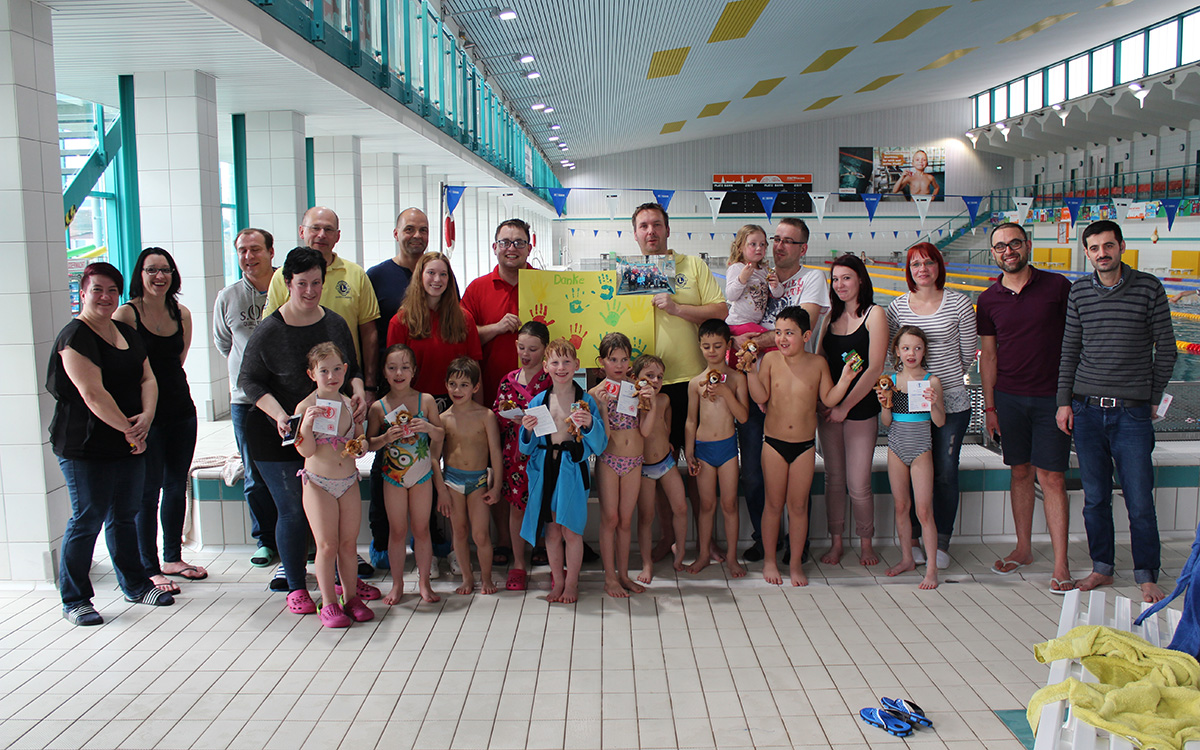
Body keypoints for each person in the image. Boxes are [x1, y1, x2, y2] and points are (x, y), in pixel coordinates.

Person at [239, 247, 368, 615]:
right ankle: (296, 585)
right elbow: (248, 380)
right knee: (294, 511)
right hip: (277, 429)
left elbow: (351, 367)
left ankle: (346, 588)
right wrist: (283, 416)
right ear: (287, 283)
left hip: (329, 434)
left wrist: (356, 391)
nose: (309, 291)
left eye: (316, 283)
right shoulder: (270, 329)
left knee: (337, 533)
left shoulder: (335, 324)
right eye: (301, 284)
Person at [1056, 219, 1176, 604]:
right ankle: (1102, 568)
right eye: (1094, 248)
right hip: (1087, 410)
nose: (1102, 253)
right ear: (1087, 252)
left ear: (1121, 246)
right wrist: (1064, 401)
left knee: (1140, 498)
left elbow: (1168, 348)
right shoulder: (1080, 292)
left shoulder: (1149, 288)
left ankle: (1146, 574)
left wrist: (1152, 395)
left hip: (1133, 413)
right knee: (1095, 498)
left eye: (1108, 246)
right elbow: (1069, 350)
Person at [49, 262, 175, 625]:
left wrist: (147, 417)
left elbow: (147, 377)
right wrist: (131, 431)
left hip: (128, 439)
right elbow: (92, 394)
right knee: (87, 518)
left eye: (111, 291)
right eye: (97, 290)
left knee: (126, 514)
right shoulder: (74, 337)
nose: (105, 297)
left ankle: (135, 584)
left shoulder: (124, 331)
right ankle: (75, 598)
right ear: (83, 293)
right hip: (85, 445)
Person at [977, 223, 1074, 593]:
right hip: (1010, 398)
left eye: (1014, 243)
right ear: (994, 253)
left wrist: (1069, 398)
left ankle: (1062, 563)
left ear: (1027, 245)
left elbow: (1074, 341)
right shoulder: (988, 299)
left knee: (1051, 478)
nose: (1008, 251)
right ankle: (1023, 547)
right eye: (1000, 246)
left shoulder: (1057, 287)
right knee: (1020, 472)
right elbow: (988, 356)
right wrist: (989, 407)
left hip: (1052, 398)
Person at [632, 202, 728, 561]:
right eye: (643, 226)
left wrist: (677, 308)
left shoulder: (692, 266)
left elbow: (720, 311)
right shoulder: (628, 274)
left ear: (668, 230)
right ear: (636, 233)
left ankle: (707, 540)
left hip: (693, 382)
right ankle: (667, 538)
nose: (650, 231)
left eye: (656, 224)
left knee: (698, 464)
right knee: (657, 462)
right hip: (649, 387)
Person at [732, 218, 830, 564]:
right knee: (754, 472)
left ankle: (797, 544)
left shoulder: (812, 279)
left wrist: (753, 341)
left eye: (788, 241)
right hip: (759, 381)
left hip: (793, 389)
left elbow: (800, 326)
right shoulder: (757, 276)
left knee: (798, 477)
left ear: (803, 248)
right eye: (775, 239)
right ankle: (765, 538)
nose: (778, 246)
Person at [112, 247, 204, 595]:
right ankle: (148, 566)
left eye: (164, 270)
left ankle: (172, 557)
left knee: (176, 484)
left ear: (173, 274)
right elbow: (124, 367)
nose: (159, 276)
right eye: (151, 270)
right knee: (147, 491)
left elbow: (176, 361)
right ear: (140, 274)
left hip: (181, 409)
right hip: (145, 415)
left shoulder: (181, 313)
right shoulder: (126, 315)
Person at [744, 307, 854, 587]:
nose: (781, 338)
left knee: (798, 506)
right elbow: (761, 396)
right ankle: (770, 560)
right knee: (772, 504)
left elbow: (828, 399)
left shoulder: (817, 364)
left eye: (789, 333)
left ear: (805, 335)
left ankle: (794, 564)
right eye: (778, 332)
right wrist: (749, 372)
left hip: (804, 447)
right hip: (774, 444)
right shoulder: (769, 360)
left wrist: (846, 380)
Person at [887, 242, 975, 569]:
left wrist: (941, 381)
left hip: (949, 398)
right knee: (912, 469)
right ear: (908, 271)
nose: (922, 270)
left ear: (938, 266)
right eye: (915, 265)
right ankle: (912, 541)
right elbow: (893, 352)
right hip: (909, 404)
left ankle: (942, 541)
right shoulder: (898, 307)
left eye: (928, 263)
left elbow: (968, 354)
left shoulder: (960, 304)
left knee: (945, 472)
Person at [463, 218, 535, 572]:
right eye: (505, 242)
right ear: (495, 247)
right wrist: (495, 328)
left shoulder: (544, 285)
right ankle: (504, 542)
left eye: (519, 242)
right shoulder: (477, 289)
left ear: (529, 248)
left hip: (539, 396)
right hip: (493, 395)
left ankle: (534, 538)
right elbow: (461, 335)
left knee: (537, 468)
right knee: (500, 469)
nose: (512, 248)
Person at [365, 208, 429, 571]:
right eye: (409, 229)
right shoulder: (377, 277)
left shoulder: (433, 273)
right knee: (384, 465)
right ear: (396, 233)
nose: (416, 235)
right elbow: (370, 335)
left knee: (426, 463)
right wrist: (374, 385)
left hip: (427, 388)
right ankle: (381, 537)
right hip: (390, 387)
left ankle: (430, 535)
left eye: (423, 230)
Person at [519, 338, 606, 604]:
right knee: (553, 531)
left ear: (577, 365)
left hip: (571, 470)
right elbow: (526, 448)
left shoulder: (586, 401)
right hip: (545, 470)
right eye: (555, 362)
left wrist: (591, 423)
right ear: (545, 366)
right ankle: (557, 581)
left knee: (572, 531)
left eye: (567, 361)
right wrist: (528, 430)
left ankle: (572, 583)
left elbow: (600, 446)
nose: (561, 367)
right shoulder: (539, 399)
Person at [294, 343, 372, 628]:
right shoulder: (306, 407)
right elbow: (306, 451)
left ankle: (350, 597)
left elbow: (361, 436)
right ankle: (328, 602)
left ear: (346, 370)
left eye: (337, 369)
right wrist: (305, 426)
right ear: (311, 374)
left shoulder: (350, 402)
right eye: (324, 371)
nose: (331, 375)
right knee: (327, 546)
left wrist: (360, 446)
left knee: (349, 546)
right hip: (318, 483)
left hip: (349, 481)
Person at [816, 254, 887, 567]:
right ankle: (836, 543)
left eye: (846, 277)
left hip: (860, 411)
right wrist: (825, 404)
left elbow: (874, 369)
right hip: (829, 411)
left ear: (860, 280)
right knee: (833, 480)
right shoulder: (829, 318)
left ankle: (866, 542)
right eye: (835, 279)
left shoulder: (874, 315)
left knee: (858, 483)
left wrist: (844, 406)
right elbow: (819, 363)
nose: (840, 284)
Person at [264, 207, 381, 395]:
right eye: (315, 228)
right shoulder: (282, 276)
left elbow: (369, 333)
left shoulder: (355, 274)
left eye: (328, 230)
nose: (321, 235)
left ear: (338, 236)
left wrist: (368, 385)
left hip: (344, 383)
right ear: (302, 231)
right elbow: (270, 332)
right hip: (295, 386)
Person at [214, 228, 278, 569]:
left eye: (255, 249)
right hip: (245, 400)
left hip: (286, 399)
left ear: (271, 252)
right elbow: (225, 344)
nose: (249, 257)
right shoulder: (228, 297)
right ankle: (265, 539)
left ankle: (300, 534)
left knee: (295, 470)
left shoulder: (288, 288)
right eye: (242, 251)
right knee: (254, 472)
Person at [366, 344, 443, 605]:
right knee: (397, 532)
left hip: (421, 475)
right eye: (392, 367)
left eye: (405, 367)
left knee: (421, 530)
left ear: (414, 371)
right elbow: (370, 444)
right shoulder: (378, 407)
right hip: (393, 477)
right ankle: (397, 584)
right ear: (385, 373)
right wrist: (385, 437)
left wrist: (429, 427)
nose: (399, 372)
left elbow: (442, 434)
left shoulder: (427, 400)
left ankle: (424, 582)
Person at [878, 326, 945, 590]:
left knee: (924, 510)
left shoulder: (931, 381)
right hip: (896, 446)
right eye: (906, 348)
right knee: (901, 507)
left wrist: (935, 403)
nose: (911, 353)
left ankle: (931, 569)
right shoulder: (891, 381)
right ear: (897, 351)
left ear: (924, 351)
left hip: (921, 449)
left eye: (917, 348)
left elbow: (939, 423)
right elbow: (886, 422)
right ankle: (907, 558)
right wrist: (886, 404)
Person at [685, 320, 749, 578]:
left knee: (730, 504)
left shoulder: (736, 379)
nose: (712, 351)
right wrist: (689, 453)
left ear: (728, 346)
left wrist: (725, 392)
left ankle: (732, 558)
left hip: (727, 449)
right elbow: (691, 421)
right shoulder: (695, 383)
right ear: (699, 347)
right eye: (706, 346)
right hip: (703, 449)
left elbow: (743, 417)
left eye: (717, 346)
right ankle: (703, 555)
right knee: (707, 505)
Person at [589, 332, 651, 598]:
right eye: (612, 359)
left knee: (626, 520)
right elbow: (602, 439)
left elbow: (646, 430)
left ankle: (624, 574)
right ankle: (609, 577)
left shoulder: (637, 390)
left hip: (634, 461)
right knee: (610, 518)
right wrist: (603, 407)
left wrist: (652, 401)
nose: (618, 365)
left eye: (624, 359)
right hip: (609, 460)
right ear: (601, 361)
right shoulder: (594, 393)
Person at [495, 321, 552, 591]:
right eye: (521, 347)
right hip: (515, 454)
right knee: (517, 508)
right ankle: (518, 564)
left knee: (550, 509)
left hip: (546, 453)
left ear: (544, 350)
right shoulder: (507, 380)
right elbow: (497, 415)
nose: (525, 353)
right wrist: (513, 420)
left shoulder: (553, 379)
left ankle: (554, 560)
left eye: (532, 348)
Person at [439, 357, 503, 595]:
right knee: (460, 532)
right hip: (452, 481)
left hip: (478, 481)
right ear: (446, 384)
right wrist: (441, 490)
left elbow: (496, 453)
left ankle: (486, 579)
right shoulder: (443, 418)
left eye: (464, 385)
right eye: (453, 384)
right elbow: (436, 458)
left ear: (475, 387)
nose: (458, 390)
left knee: (480, 533)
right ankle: (467, 579)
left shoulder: (486, 416)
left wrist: (496, 486)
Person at [387, 252, 483, 409]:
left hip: (458, 403)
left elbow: (474, 369)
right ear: (420, 276)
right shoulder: (401, 321)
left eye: (443, 274)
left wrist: (478, 409)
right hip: (415, 404)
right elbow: (393, 373)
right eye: (431, 273)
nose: (437, 279)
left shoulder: (464, 319)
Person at [633, 354, 688, 573]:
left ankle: (680, 553)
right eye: (649, 376)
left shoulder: (664, 400)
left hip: (666, 463)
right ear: (636, 378)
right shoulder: (633, 403)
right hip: (644, 468)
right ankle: (646, 563)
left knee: (681, 508)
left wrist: (667, 444)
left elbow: (666, 428)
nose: (655, 381)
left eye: (659, 377)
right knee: (646, 516)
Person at [724, 224, 782, 352]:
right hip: (738, 323)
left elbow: (778, 294)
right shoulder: (737, 268)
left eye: (762, 244)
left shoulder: (765, 270)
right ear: (740, 248)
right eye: (753, 244)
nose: (758, 248)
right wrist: (742, 279)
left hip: (753, 323)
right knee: (774, 345)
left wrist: (775, 285)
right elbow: (731, 295)